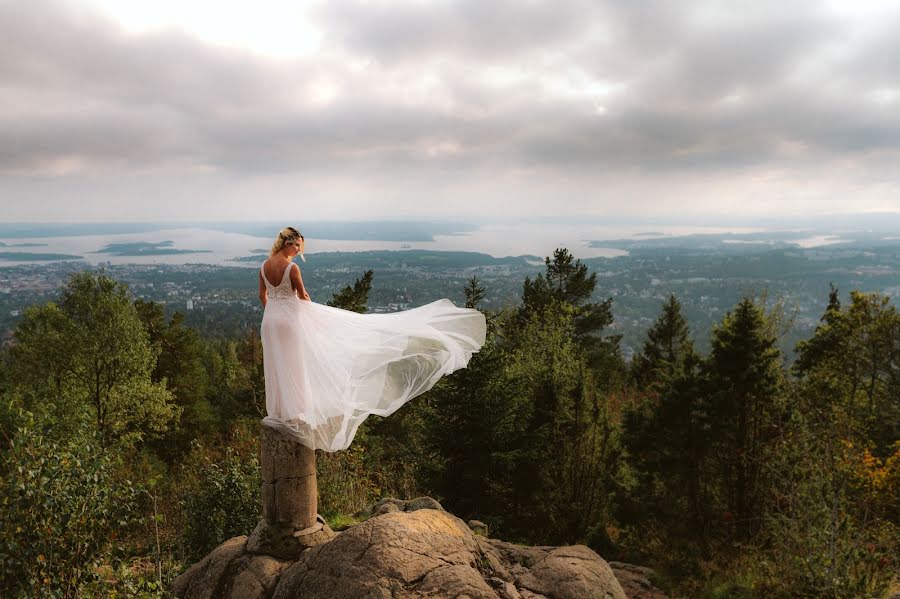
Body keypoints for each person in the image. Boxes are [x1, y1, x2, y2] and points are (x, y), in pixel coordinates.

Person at [259, 226, 486, 452]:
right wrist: (310, 319)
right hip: (289, 323)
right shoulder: (292, 268)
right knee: (295, 364)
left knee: (277, 363)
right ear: (287, 243)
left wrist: (275, 313)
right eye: (297, 244)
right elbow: (303, 297)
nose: (299, 250)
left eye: (300, 245)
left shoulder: (264, 266)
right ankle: (294, 412)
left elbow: (263, 296)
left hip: (269, 322)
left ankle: (279, 412)